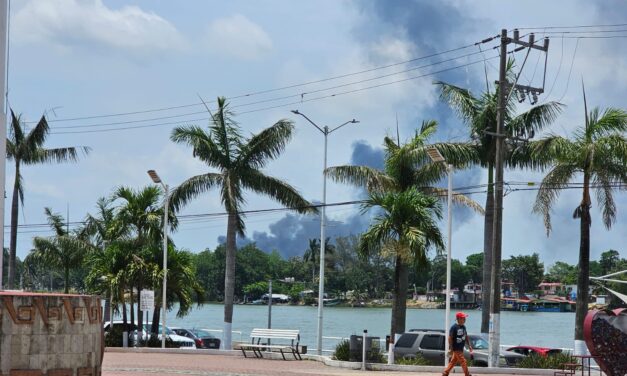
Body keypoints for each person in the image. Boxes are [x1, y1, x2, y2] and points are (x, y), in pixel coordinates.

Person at [442, 311, 473, 376]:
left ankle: (445, 373)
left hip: (461, 348)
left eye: (464, 318)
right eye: (463, 318)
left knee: (453, 361)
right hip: (456, 348)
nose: (464, 320)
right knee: (463, 361)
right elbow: (450, 338)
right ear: (458, 319)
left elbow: (466, 336)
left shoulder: (464, 327)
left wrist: (469, 345)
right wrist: (451, 348)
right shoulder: (454, 327)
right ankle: (467, 374)